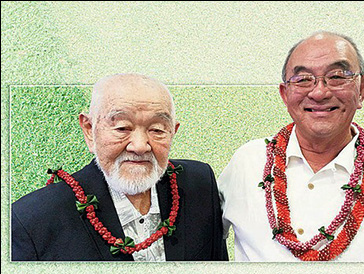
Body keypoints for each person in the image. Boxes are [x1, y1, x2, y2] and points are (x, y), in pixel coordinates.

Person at [218, 31, 364, 262]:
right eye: (303, 79)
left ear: (362, 89)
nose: (319, 92)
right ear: (285, 94)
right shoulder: (246, 164)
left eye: (337, 76)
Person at [12, 73, 228, 261]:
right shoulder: (31, 220)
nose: (140, 146)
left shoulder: (199, 184)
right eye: (122, 127)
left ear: (173, 131)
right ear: (89, 129)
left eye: (157, 129)